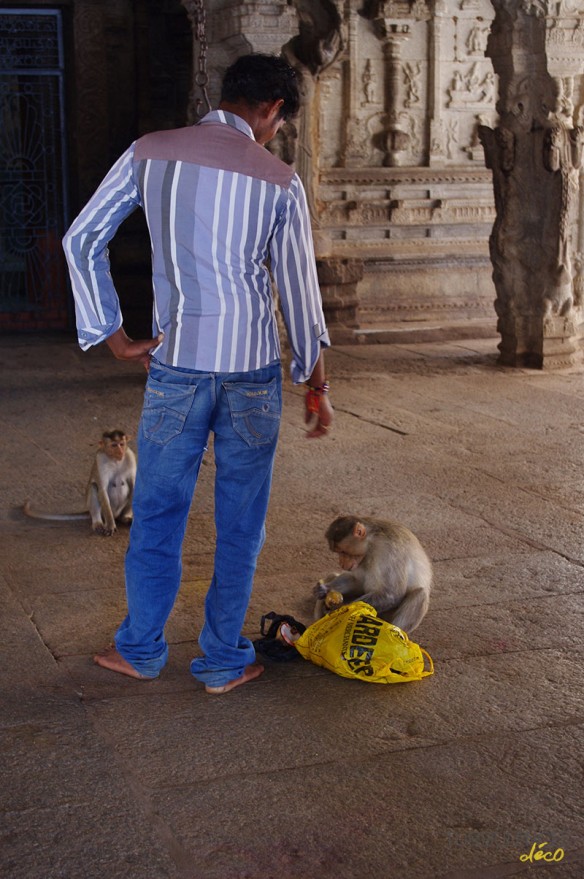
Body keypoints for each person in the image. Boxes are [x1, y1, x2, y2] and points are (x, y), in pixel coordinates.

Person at [62, 53, 333, 694]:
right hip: (252, 374)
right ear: (271, 110)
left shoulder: (151, 153)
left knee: (157, 512)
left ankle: (140, 650)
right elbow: (299, 293)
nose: (274, 135)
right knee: (241, 522)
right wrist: (316, 384)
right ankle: (220, 661)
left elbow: (82, 239)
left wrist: (115, 336)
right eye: (278, 123)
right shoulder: (279, 181)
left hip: (176, 367)